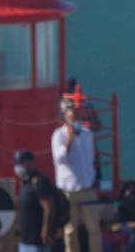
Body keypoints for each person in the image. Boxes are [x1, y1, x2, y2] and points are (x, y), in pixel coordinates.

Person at [51, 99, 100, 252]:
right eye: (72, 110)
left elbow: (90, 160)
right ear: (64, 115)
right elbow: (60, 159)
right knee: (70, 229)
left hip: (87, 188)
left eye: (77, 110)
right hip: (68, 191)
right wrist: (70, 139)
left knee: (94, 228)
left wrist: (93, 179)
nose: (76, 113)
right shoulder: (58, 135)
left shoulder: (87, 134)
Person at [13, 149, 57, 252]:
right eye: (17, 164)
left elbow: (49, 208)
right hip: (24, 240)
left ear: (31, 163)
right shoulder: (25, 182)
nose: (18, 167)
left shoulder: (40, 181)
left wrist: (45, 231)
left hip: (37, 242)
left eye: (21, 163)